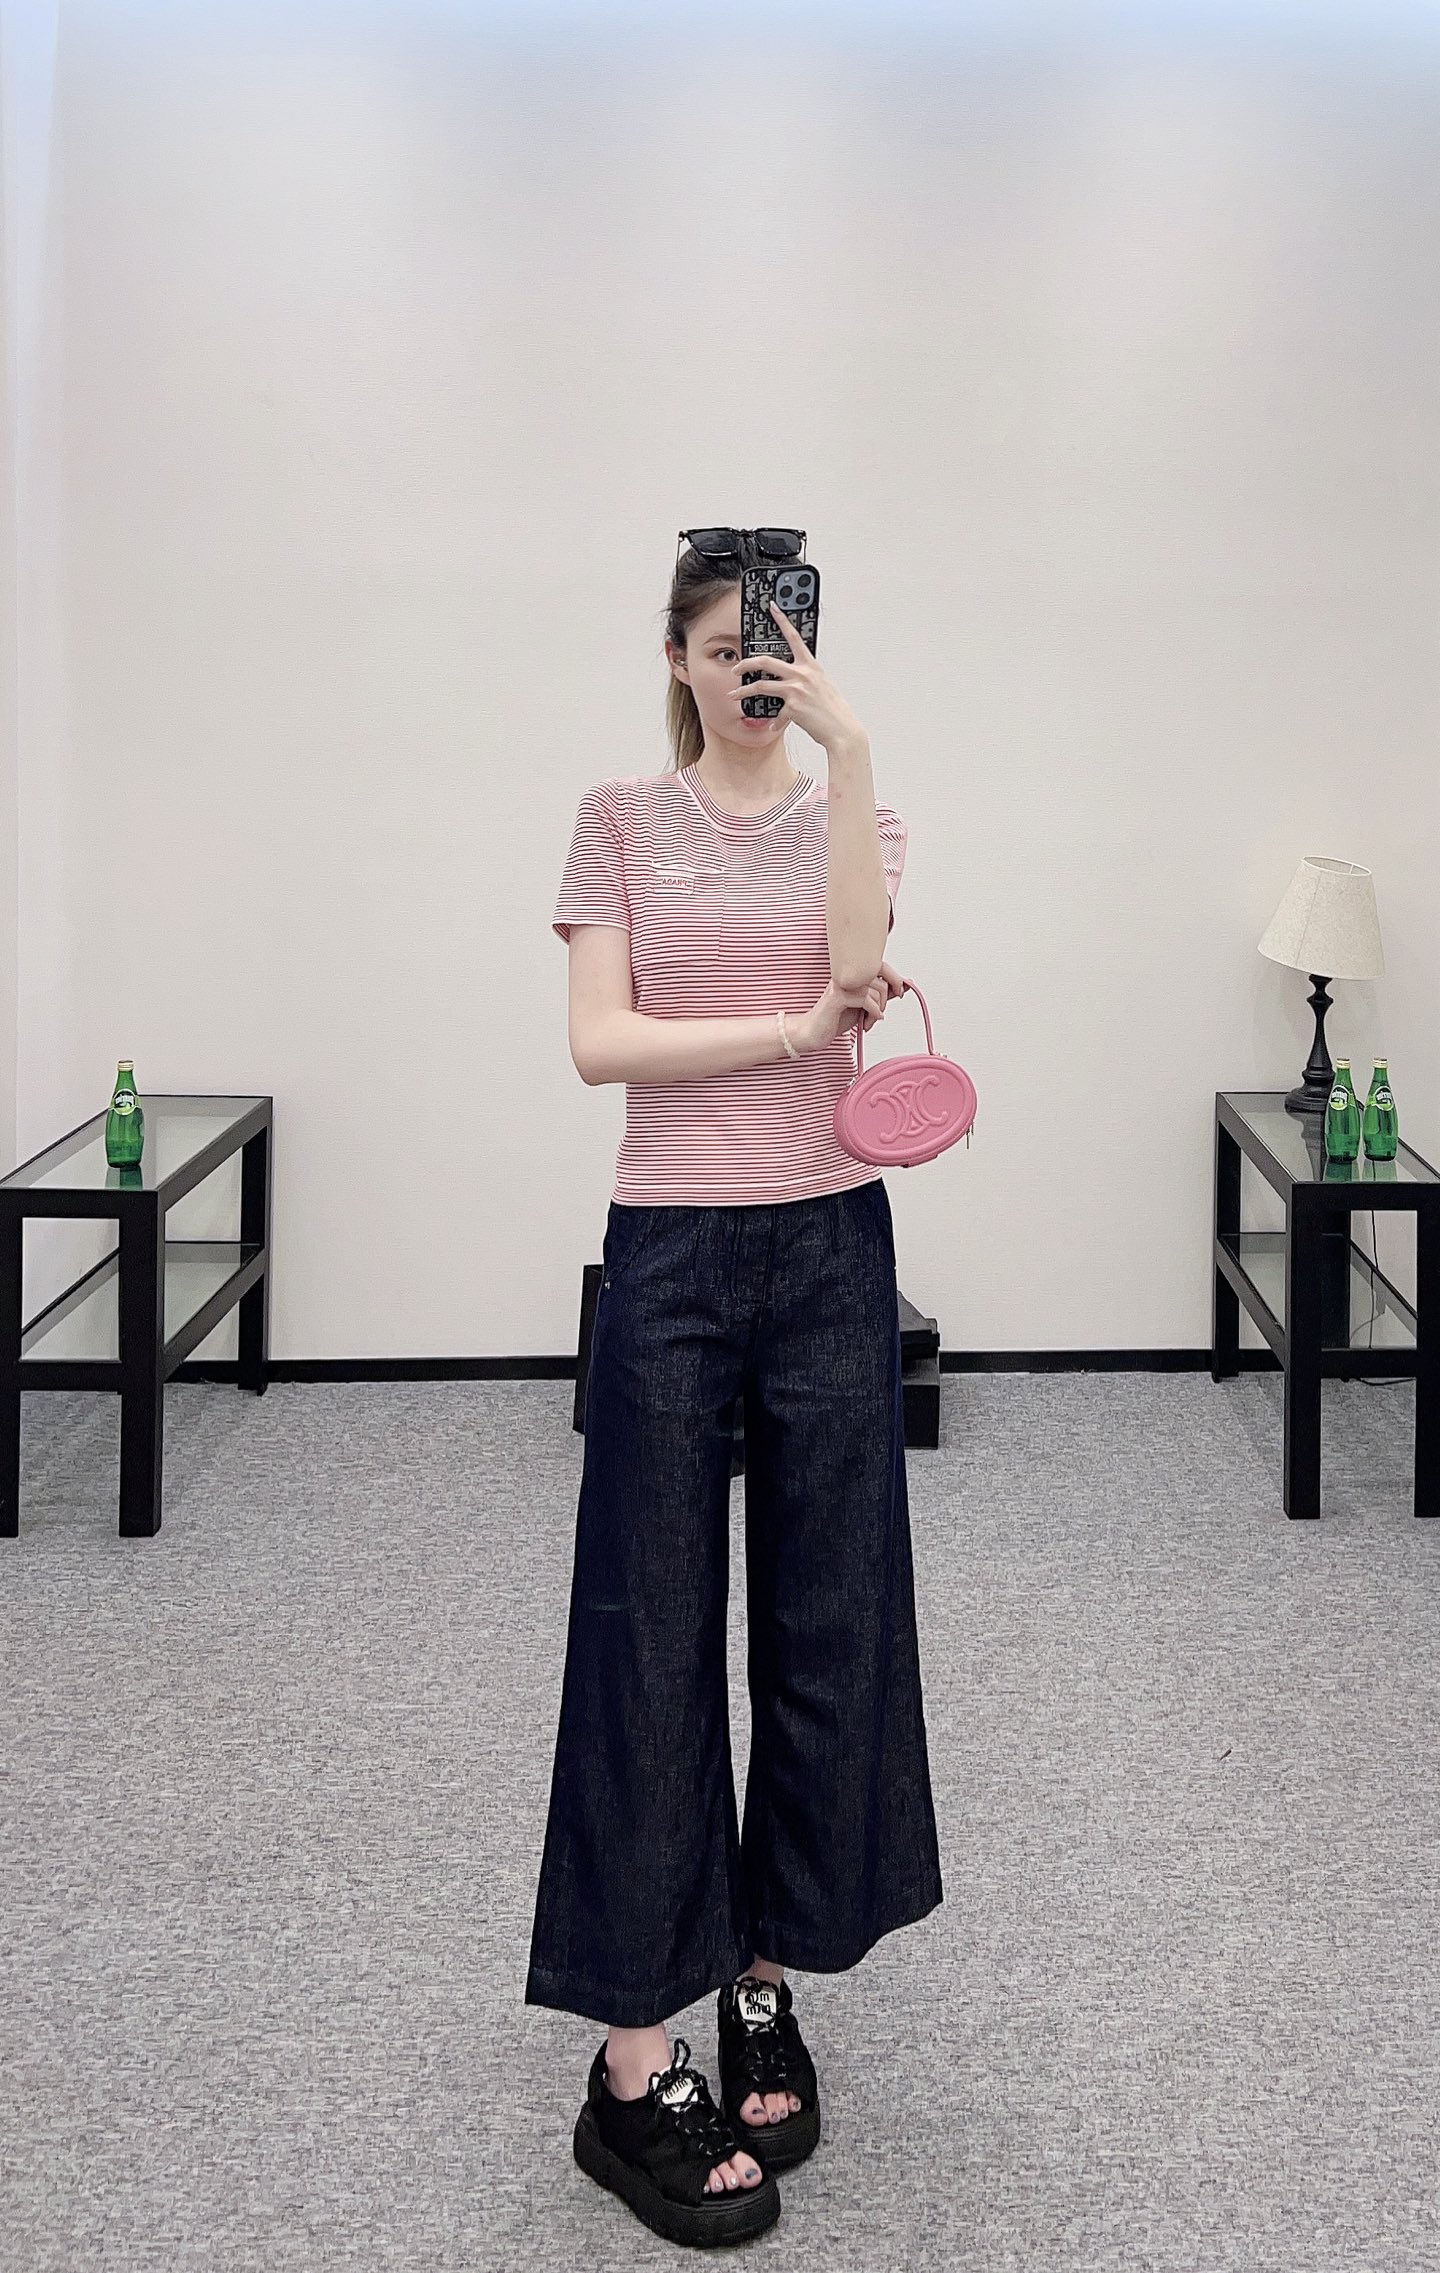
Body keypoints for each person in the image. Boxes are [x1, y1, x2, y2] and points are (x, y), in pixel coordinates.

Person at [525, 528, 944, 2247]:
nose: (750, 677)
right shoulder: (620, 817)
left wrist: (854, 744)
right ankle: (632, 2067)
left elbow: (856, 954)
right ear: (680, 661)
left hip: (833, 1245)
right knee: (649, 1633)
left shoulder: (857, 805)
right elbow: (600, 1042)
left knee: (832, 1620)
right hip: (676, 1257)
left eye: (775, 653)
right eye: (724, 653)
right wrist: (784, 1035)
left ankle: (761, 1975)